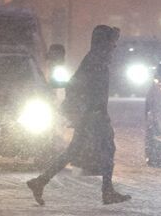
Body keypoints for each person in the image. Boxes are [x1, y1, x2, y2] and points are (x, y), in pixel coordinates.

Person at [27, 25, 131, 205]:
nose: (114, 46)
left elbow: (78, 86)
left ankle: (41, 181)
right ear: (104, 42)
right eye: (112, 42)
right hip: (93, 115)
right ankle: (107, 191)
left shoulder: (96, 60)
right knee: (107, 150)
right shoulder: (96, 61)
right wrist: (94, 111)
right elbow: (83, 88)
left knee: (73, 151)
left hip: (90, 114)